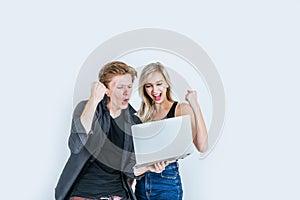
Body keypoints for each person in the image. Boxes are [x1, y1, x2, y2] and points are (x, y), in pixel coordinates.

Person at [55, 61, 141, 200]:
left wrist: (148, 168)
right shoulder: (86, 108)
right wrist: (94, 100)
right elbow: (76, 145)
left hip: (117, 193)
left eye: (129, 87)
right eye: (120, 87)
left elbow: (130, 170)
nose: (127, 92)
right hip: (85, 191)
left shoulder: (134, 122)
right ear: (106, 90)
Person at [134, 62, 208, 200]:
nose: (154, 90)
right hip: (142, 185)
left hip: (166, 183)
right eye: (149, 86)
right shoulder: (141, 116)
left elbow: (202, 146)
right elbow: (135, 159)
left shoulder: (180, 109)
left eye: (159, 84)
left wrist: (195, 105)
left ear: (167, 84)